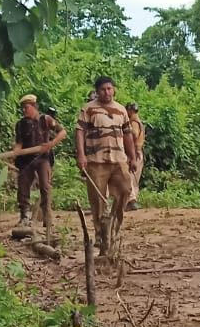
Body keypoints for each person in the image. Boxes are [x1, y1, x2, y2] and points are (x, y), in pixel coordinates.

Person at [76, 76, 136, 258]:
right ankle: (101, 237)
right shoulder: (88, 109)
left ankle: (114, 229)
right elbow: (79, 132)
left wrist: (132, 156)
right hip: (96, 161)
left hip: (118, 160)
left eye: (110, 89)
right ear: (97, 91)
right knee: (98, 202)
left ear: (114, 90)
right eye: (103, 89)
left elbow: (127, 134)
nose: (107, 92)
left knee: (125, 190)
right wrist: (81, 155)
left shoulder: (120, 110)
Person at [12, 94, 67, 236]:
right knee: (23, 186)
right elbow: (19, 144)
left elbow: (62, 132)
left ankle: (47, 217)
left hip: (43, 158)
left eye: (27, 107)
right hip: (26, 160)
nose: (24, 110)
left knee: (45, 186)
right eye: (23, 108)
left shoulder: (46, 120)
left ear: (34, 107)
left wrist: (50, 144)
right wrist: (15, 152)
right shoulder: (20, 124)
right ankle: (24, 215)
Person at [127, 102, 146, 211]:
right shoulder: (140, 122)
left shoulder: (133, 123)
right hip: (139, 151)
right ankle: (132, 199)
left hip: (134, 152)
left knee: (129, 176)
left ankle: (131, 200)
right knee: (134, 178)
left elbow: (133, 134)